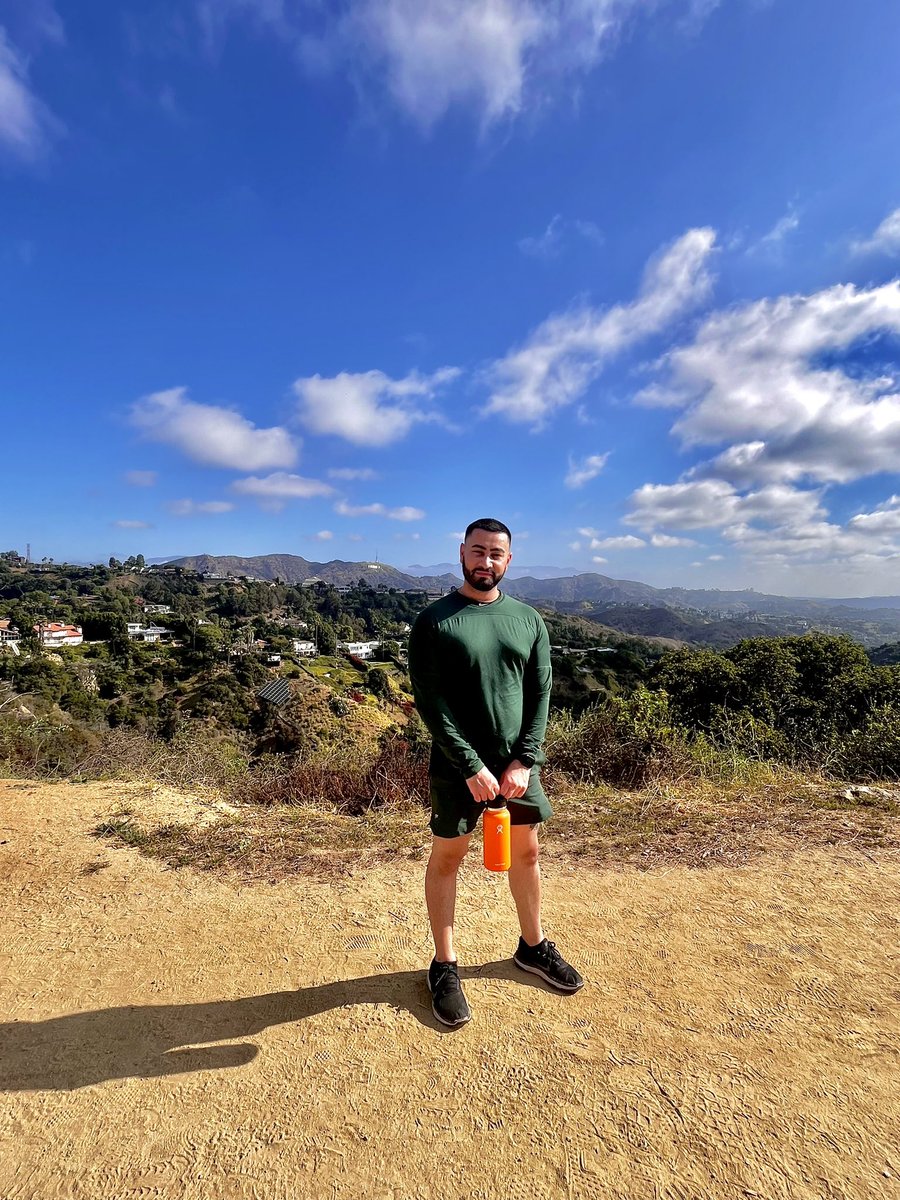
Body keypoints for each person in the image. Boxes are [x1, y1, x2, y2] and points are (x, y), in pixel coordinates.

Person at [408, 517, 584, 1027]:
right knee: (448, 858)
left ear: (509, 560)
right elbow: (431, 701)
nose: (486, 562)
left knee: (527, 852)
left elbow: (541, 693)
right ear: (461, 552)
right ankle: (443, 965)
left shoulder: (528, 620)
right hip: (457, 766)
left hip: (516, 768)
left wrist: (524, 760)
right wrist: (470, 766)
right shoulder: (434, 621)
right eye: (478, 551)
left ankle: (532, 946)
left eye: (496, 554)